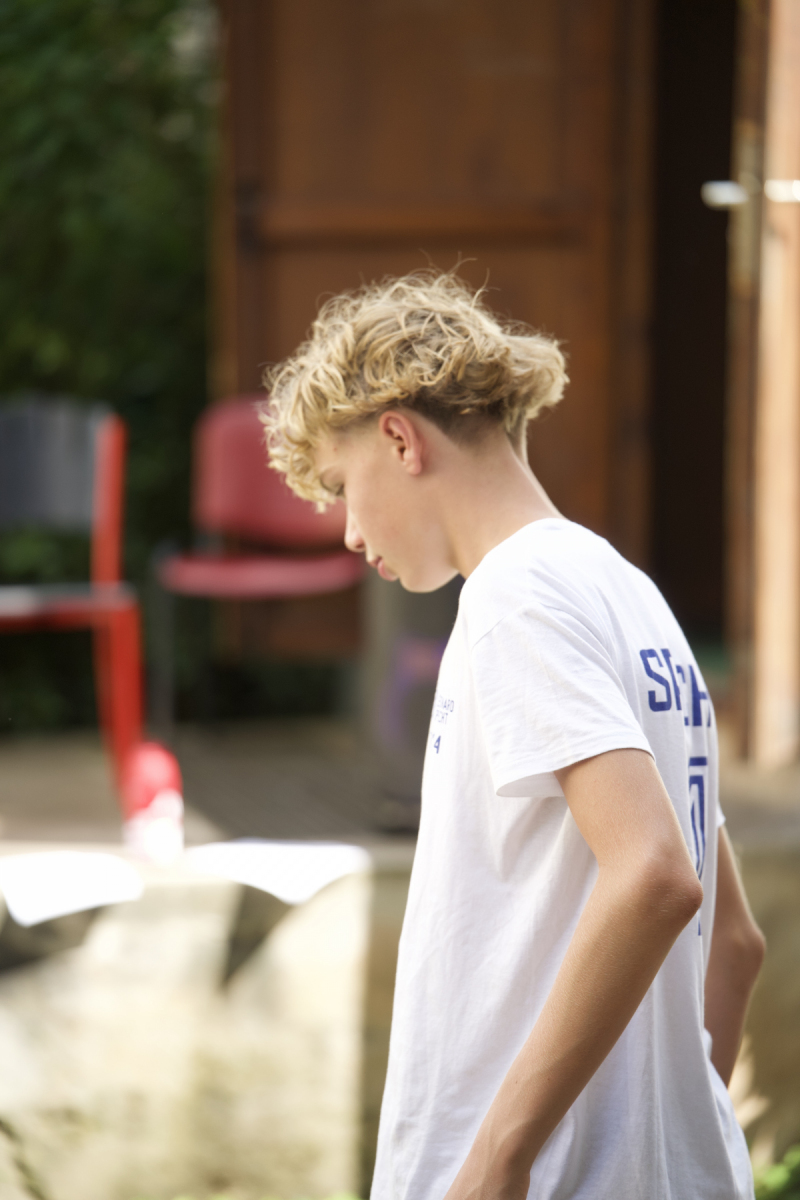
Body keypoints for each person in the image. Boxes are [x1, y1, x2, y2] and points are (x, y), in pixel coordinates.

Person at [263, 271, 765, 1200]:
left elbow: (655, 875)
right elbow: (733, 943)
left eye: (341, 488)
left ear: (400, 440)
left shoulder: (513, 599)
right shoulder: (631, 595)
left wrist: (497, 1161)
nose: (351, 535)